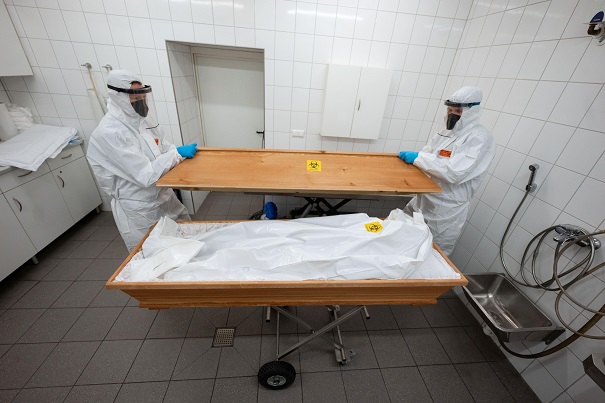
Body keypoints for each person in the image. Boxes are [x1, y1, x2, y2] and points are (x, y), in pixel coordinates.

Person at [87, 70, 199, 251]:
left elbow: (163, 147)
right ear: (118, 96)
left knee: (184, 235)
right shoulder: (110, 132)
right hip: (140, 205)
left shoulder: (142, 120)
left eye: (142, 93)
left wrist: (177, 152)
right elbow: (145, 174)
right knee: (154, 250)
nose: (140, 98)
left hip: (163, 194)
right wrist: (176, 154)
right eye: (134, 94)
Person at [398, 86, 495, 255]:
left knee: (433, 253)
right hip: (424, 199)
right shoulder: (444, 134)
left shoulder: (479, 138)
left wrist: (419, 158)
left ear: (472, 111)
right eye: (450, 109)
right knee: (402, 240)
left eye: (457, 110)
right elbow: (427, 156)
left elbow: (455, 173)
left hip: (446, 210)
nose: (452, 114)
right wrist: (417, 160)